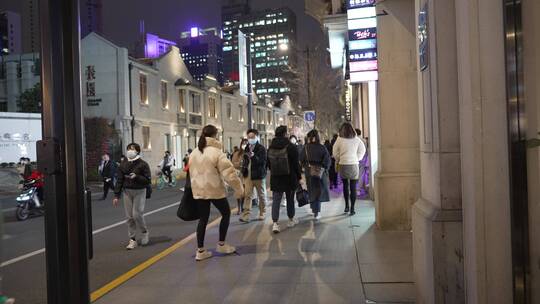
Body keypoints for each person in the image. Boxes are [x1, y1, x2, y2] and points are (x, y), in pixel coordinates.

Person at [189, 125, 244, 261]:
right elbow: (229, 174)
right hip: (214, 188)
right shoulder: (217, 152)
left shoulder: (195, 152)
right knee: (225, 213)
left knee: (203, 219)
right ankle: (221, 244)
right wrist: (239, 188)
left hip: (198, 189)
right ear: (215, 135)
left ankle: (200, 251)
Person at [113, 143, 152, 250]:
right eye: (129, 149)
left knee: (136, 214)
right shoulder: (123, 164)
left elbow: (148, 180)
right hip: (127, 191)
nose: (130, 151)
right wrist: (116, 195)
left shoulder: (143, 164)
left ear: (138, 151)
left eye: (133, 149)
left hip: (140, 191)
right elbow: (119, 180)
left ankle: (144, 232)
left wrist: (137, 177)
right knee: (129, 217)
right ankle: (132, 239)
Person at [268, 126, 302, 233]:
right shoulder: (291, 146)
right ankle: (291, 220)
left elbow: (268, 164)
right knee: (290, 199)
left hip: (276, 177)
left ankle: (275, 223)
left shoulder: (270, 147)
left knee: (276, 200)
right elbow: (296, 164)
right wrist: (299, 176)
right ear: (285, 134)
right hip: (289, 177)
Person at [333, 123, 366, 215]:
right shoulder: (357, 139)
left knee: (345, 186)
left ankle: (346, 206)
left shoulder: (339, 139)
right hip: (354, 165)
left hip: (343, 164)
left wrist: (339, 158)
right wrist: (357, 158)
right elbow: (362, 150)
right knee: (353, 187)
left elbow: (334, 151)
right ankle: (352, 208)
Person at [300, 129, 331, 220]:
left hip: (309, 172)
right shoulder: (322, 147)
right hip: (320, 172)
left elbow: (301, 159)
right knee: (319, 191)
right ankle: (317, 211)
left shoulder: (306, 148)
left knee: (311, 191)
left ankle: (314, 209)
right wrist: (323, 168)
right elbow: (327, 160)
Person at [240, 128, 268, 223]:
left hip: (259, 175)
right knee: (248, 195)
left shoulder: (261, 148)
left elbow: (263, 162)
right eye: (249, 137)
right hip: (248, 175)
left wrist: (254, 156)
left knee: (261, 195)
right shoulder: (246, 147)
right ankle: (246, 215)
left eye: (252, 137)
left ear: (257, 137)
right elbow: (245, 161)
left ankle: (262, 212)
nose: (250, 139)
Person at [231, 138, 248, 215]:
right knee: (239, 192)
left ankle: (243, 206)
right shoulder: (237, 153)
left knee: (245, 192)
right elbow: (233, 163)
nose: (245, 145)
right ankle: (239, 208)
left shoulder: (249, 153)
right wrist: (240, 164)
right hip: (239, 174)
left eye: (246, 143)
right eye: (243, 143)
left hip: (247, 175)